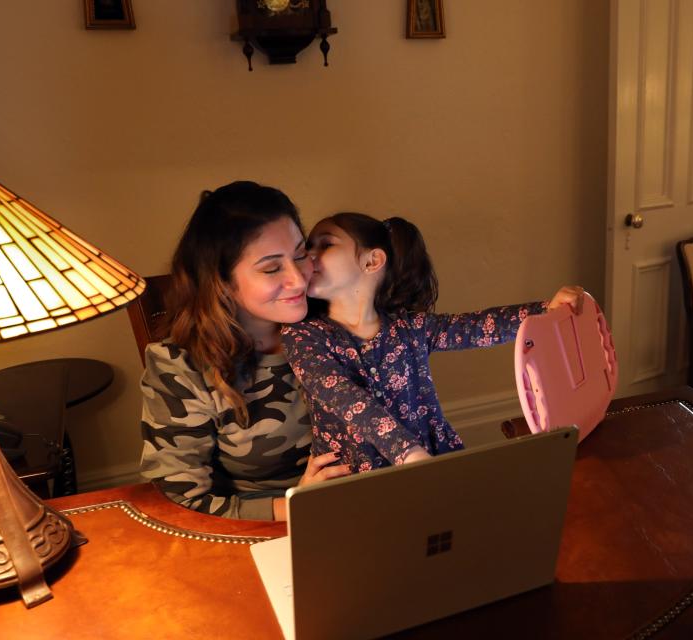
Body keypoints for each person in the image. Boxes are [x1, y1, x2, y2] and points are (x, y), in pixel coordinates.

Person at [281, 212, 584, 473]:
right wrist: (408, 453)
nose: (309, 255)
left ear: (372, 261)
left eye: (326, 244)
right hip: (352, 483)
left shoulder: (409, 327)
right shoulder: (303, 336)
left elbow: (477, 327)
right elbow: (346, 399)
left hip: (429, 466)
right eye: (309, 245)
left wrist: (546, 311)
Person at [140, 181, 351, 522]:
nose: (298, 278)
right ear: (221, 281)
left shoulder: (339, 322)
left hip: (364, 502)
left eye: (300, 254)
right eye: (271, 268)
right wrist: (298, 504)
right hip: (264, 528)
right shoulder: (181, 367)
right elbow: (179, 504)